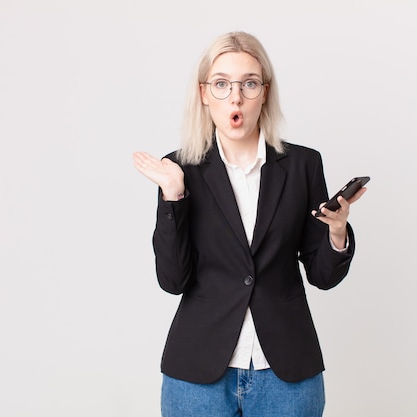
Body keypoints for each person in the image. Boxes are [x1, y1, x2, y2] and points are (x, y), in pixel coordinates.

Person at [133, 31, 366, 417]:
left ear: (265, 93)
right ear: (204, 93)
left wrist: (338, 232)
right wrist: (173, 197)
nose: (235, 97)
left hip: (287, 374)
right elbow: (173, 280)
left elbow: (322, 276)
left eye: (249, 84)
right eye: (222, 84)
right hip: (198, 375)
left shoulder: (303, 165)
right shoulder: (179, 168)